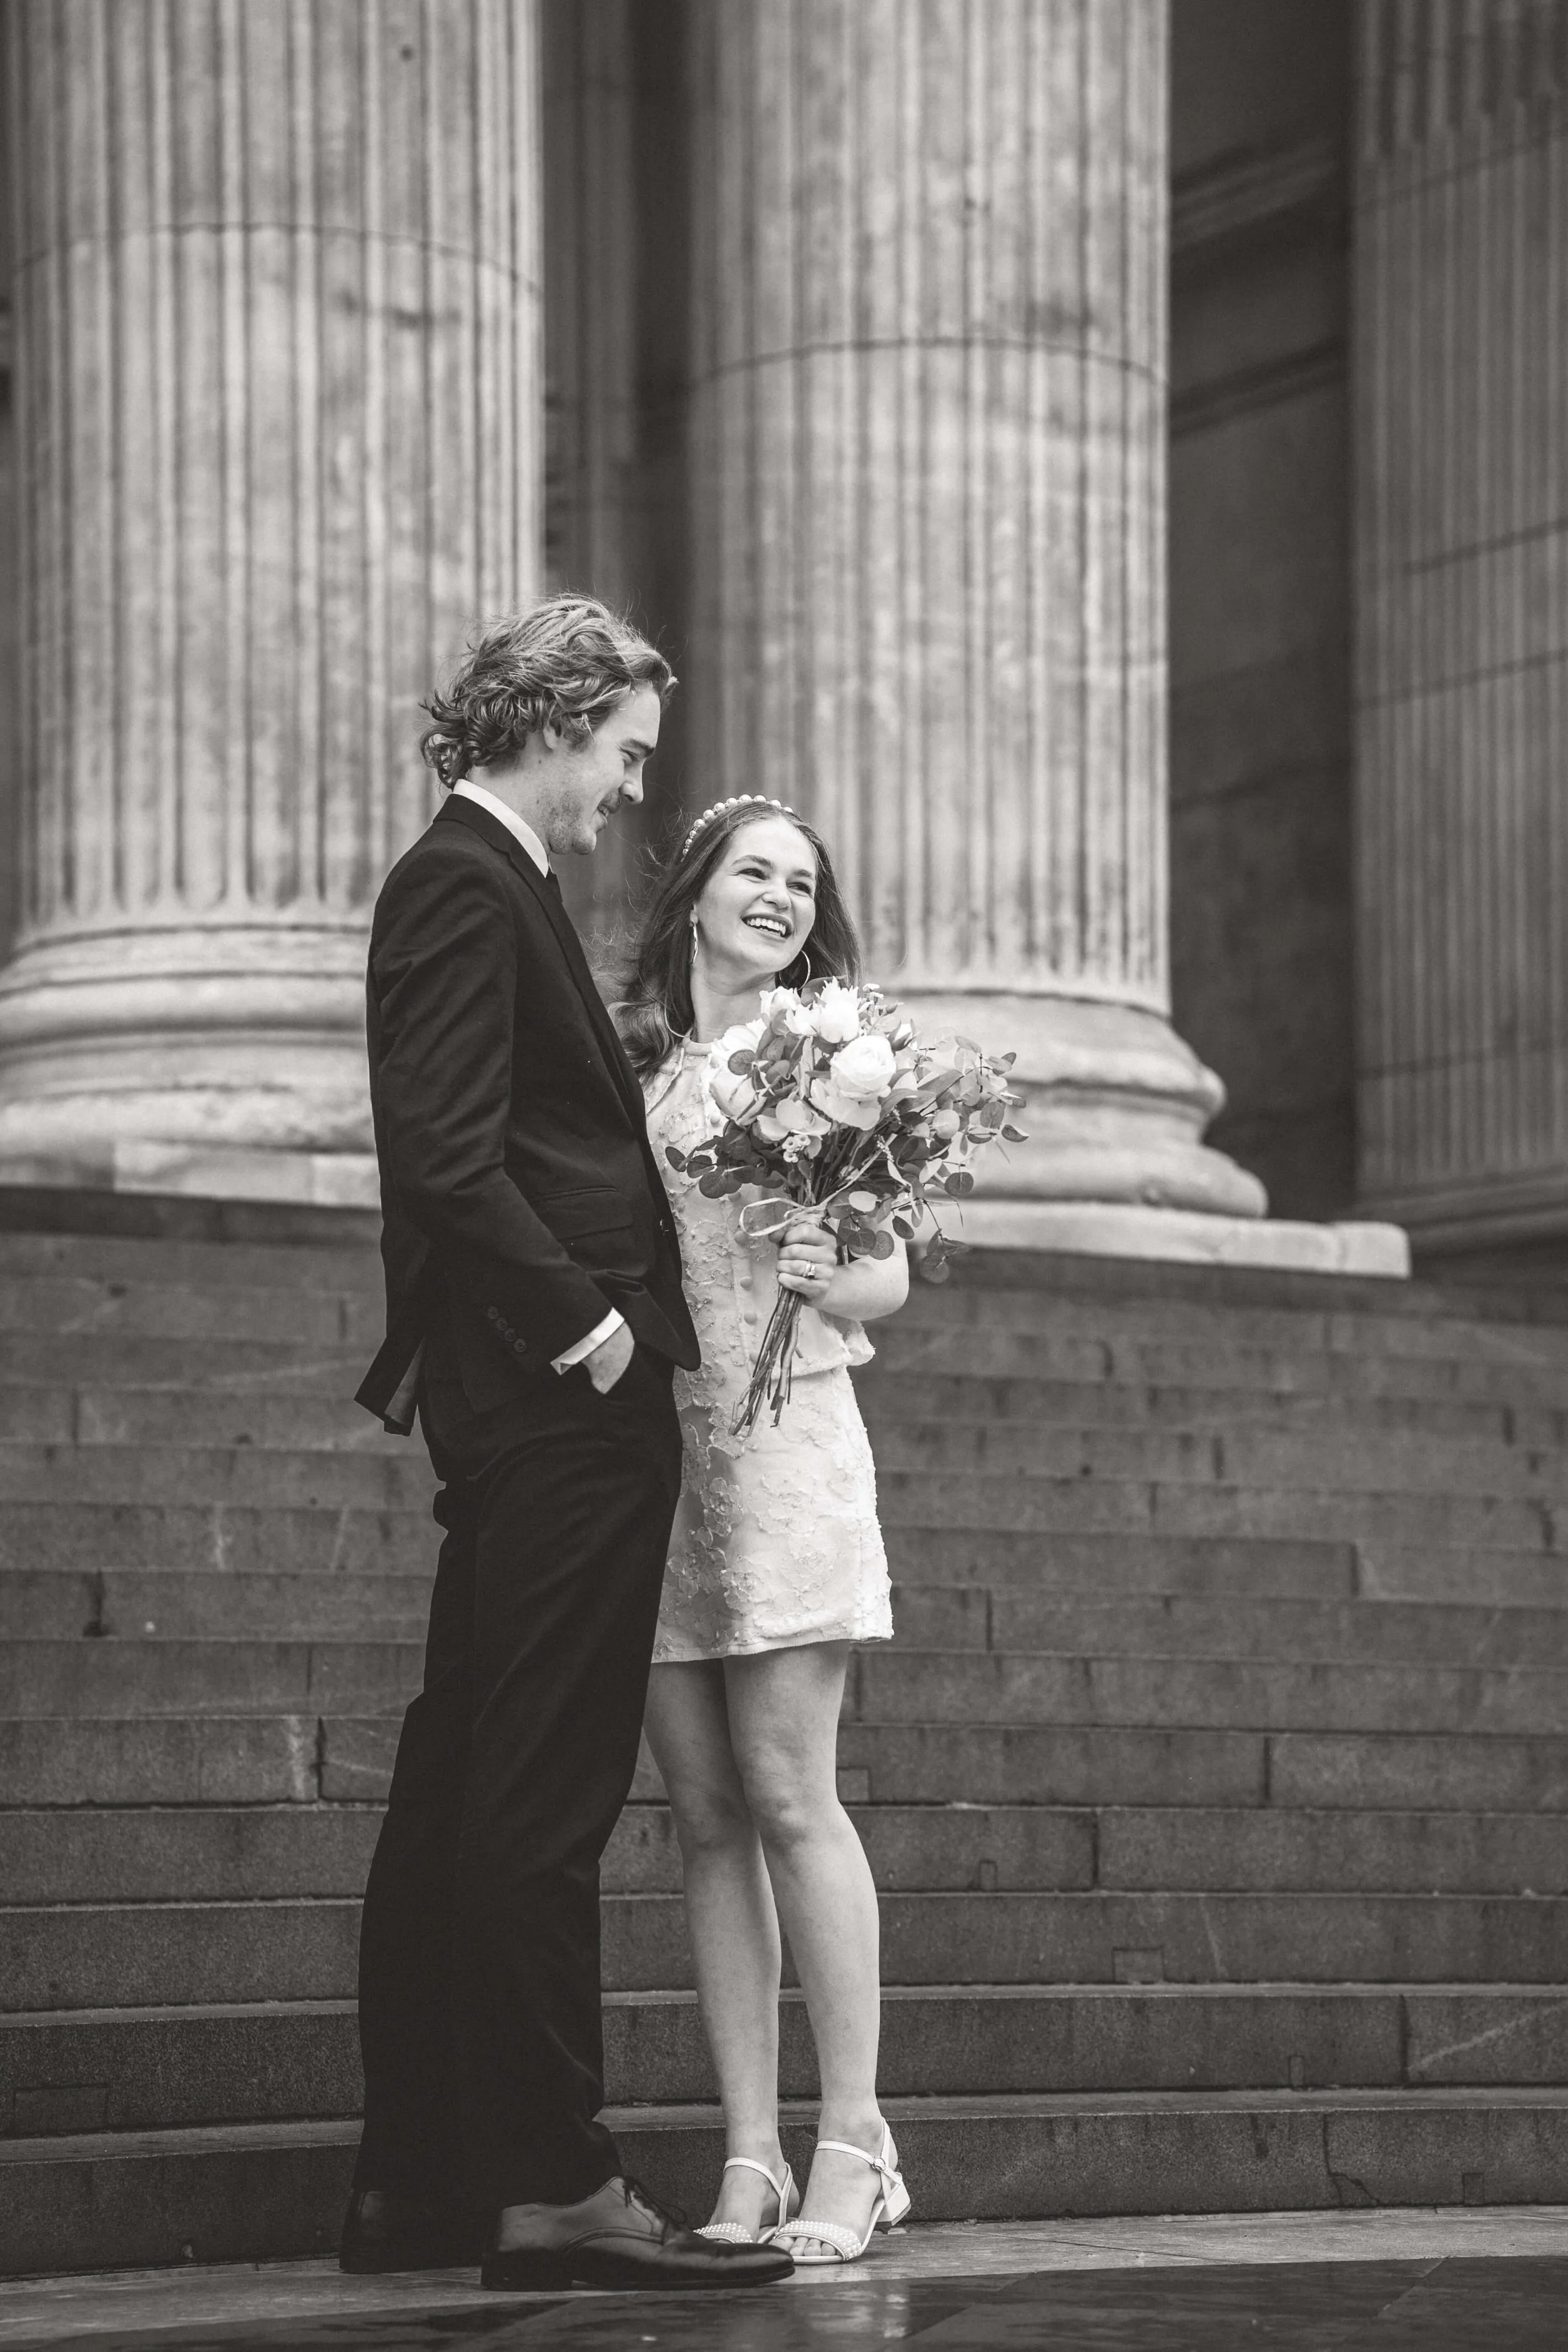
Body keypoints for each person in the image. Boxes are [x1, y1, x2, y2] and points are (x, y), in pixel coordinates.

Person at [342, 600, 791, 2294]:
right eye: (625, 750)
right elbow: (448, 1153)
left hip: (532, 1400)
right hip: (558, 1398)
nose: (628, 789)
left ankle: (420, 2176)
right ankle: (553, 2181)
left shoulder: (489, 877)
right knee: (537, 1791)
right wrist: (594, 1331)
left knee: (464, 1773)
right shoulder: (465, 876)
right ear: (557, 716)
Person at [616, 795, 913, 2266]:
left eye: (803, 882)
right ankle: (748, 2157)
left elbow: (884, 1282)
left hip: (788, 1446)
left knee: (794, 1798)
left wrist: (828, 1260)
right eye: (755, 872)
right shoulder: (640, 1063)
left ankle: (853, 2142)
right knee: (707, 1820)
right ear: (693, 890)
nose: (782, 898)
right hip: (657, 1466)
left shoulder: (831, 1056)